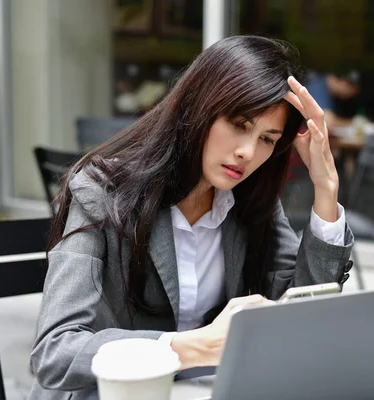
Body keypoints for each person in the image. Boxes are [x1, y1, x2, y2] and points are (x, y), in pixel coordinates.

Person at [28, 35, 354, 399]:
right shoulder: (101, 192)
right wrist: (194, 346)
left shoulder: (249, 199)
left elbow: (303, 309)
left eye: (267, 139)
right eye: (239, 124)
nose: (247, 152)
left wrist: (325, 190)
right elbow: (55, 351)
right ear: (199, 107)